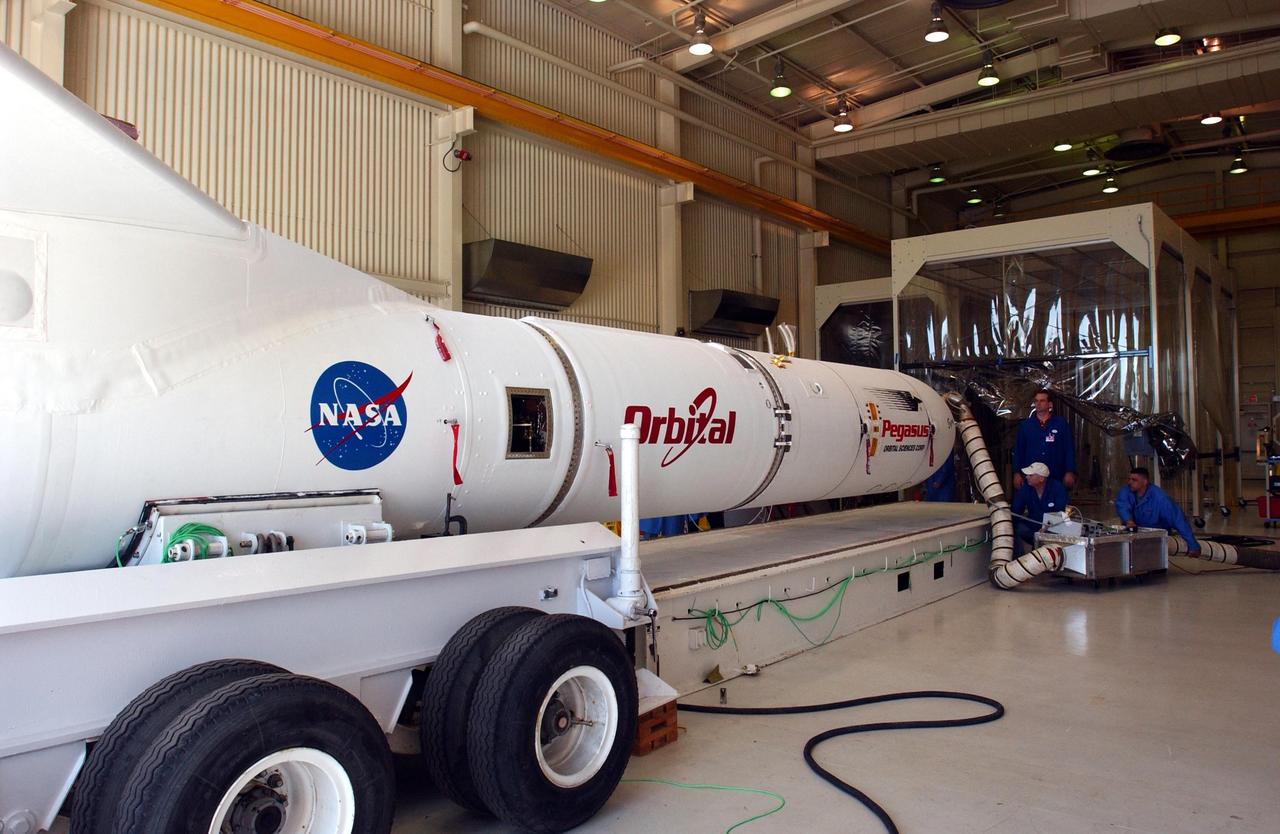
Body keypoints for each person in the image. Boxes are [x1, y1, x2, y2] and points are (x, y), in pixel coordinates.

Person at [1114, 467, 1201, 555]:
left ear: (1145, 482)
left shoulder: (1160, 499)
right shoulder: (1126, 491)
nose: (1130, 482)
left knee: (1155, 562)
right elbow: (1122, 505)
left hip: (1157, 538)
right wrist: (1129, 521)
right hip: (1135, 535)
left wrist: (1193, 545)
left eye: (1134, 480)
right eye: (1129, 479)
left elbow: (1178, 520)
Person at [1013, 389, 1076, 491]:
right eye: (1036, 401)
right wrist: (1016, 473)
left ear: (1049, 404)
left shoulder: (1061, 424)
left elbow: (1068, 449)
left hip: (1056, 474)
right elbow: (1019, 450)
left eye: (1042, 401)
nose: (1038, 403)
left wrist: (1070, 471)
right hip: (1032, 476)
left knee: (1056, 504)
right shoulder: (1026, 426)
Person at [1010, 462, 1068, 547]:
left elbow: (1060, 512)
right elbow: (1016, 509)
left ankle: (1044, 547)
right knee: (1017, 528)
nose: (1027, 477)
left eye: (1030, 475)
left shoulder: (1057, 488)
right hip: (1033, 527)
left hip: (1052, 529)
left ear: (1041, 478)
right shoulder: (1026, 488)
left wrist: (1047, 528)